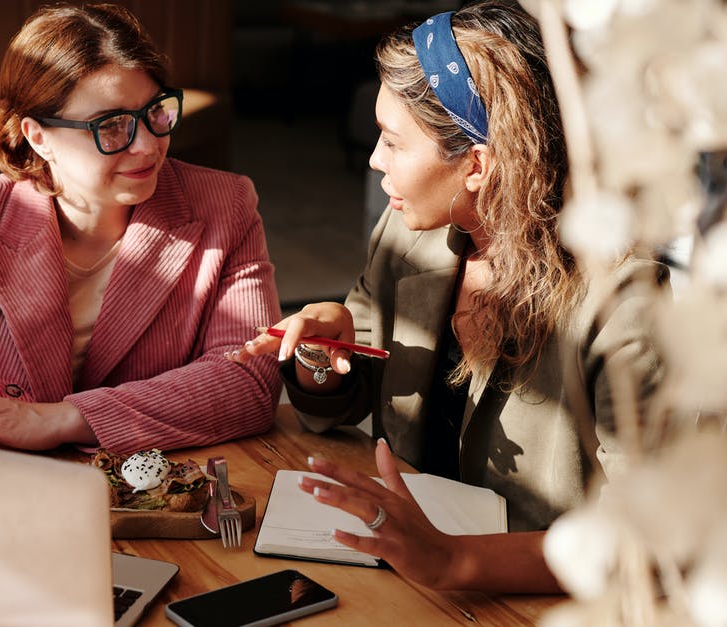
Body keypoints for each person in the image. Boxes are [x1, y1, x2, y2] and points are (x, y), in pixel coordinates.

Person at [231, 0, 666, 592]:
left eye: (391, 141)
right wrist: (321, 359)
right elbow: (344, 398)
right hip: (403, 572)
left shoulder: (623, 300)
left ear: (478, 166)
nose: (373, 159)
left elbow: (648, 536)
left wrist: (456, 561)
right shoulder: (413, 237)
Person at [0, 4, 282, 453]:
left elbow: (249, 382)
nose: (146, 145)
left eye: (155, 113)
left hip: (162, 489)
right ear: (38, 135)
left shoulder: (224, 205)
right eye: (112, 125)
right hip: (3, 482)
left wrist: (66, 419)